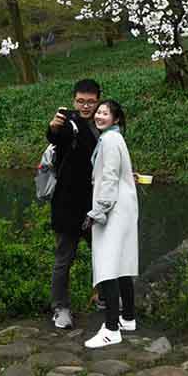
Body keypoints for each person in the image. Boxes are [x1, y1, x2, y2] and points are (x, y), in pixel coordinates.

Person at [84, 99, 139, 349]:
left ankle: (111, 329)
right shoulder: (115, 138)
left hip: (112, 209)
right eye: (98, 112)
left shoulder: (109, 140)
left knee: (107, 266)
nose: (99, 116)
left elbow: (109, 178)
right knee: (122, 264)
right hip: (123, 207)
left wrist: (97, 211)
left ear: (115, 119)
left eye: (105, 113)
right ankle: (128, 318)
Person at [47, 79, 102, 329]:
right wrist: (53, 128)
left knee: (102, 254)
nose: (85, 106)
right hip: (68, 204)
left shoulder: (103, 124)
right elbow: (58, 136)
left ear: (98, 101)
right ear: (74, 101)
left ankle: (104, 297)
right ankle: (60, 307)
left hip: (96, 204)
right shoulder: (69, 123)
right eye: (81, 101)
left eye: (90, 102)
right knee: (64, 259)